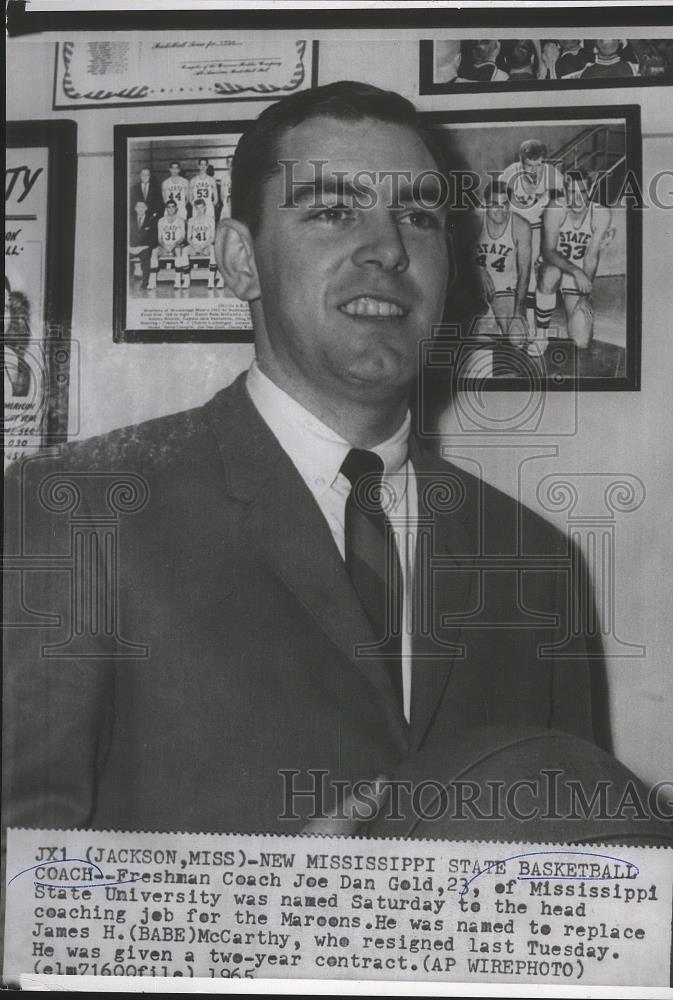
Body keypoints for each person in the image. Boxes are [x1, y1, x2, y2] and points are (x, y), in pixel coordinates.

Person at [4, 82, 599, 838]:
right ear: (239, 261)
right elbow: (13, 888)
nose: (387, 248)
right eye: (331, 211)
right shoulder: (75, 509)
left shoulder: (537, 563)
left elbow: (589, 872)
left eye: (418, 216)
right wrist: (260, 914)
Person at [499, 139, 565, 355]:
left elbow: (558, 213)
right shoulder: (509, 175)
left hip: (543, 229)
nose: (534, 170)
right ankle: (526, 327)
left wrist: (549, 245)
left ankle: (542, 336)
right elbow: (500, 210)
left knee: (545, 276)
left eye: (539, 165)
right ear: (521, 161)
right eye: (530, 166)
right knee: (522, 279)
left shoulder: (553, 176)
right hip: (518, 230)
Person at [536, 169, 614, 350]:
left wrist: (585, 295)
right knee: (551, 272)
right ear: (564, 191)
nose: (578, 198)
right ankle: (541, 336)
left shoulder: (600, 213)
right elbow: (548, 251)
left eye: (583, 192)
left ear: (591, 190)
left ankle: (575, 307)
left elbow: (591, 256)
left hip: (576, 278)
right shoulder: (555, 208)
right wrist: (576, 271)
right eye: (572, 192)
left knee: (581, 341)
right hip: (555, 267)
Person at [472, 180, 531, 344]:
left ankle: (502, 322)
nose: (500, 210)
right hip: (476, 286)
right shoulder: (474, 219)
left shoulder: (521, 226)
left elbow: (524, 273)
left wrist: (519, 310)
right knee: (473, 338)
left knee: (516, 339)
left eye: (505, 204)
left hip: (505, 290)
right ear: (484, 203)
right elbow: (456, 253)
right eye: (494, 205)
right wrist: (478, 270)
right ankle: (487, 322)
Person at [147, 200, 187, 289]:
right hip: (164, 246)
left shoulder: (180, 220)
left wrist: (173, 245)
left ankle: (177, 281)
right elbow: (159, 238)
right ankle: (152, 281)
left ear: (176, 208)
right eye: (169, 207)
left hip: (176, 245)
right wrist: (165, 246)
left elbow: (183, 237)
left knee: (178, 250)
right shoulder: (161, 220)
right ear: (166, 209)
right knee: (154, 251)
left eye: (173, 207)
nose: (171, 209)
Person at [186, 197, 223, 289]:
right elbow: (188, 238)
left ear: (205, 208)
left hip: (206, 245)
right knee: (183, 252)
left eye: (201, 207)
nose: (199, 210)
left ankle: (211, 280)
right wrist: (195, 246)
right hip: (195, 245)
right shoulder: (191, 220)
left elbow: (212, 237)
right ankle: (186, 279)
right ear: (195, 208)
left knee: (213, 250)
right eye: (197, 208)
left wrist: (203, 245)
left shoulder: (210, 219)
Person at [128, 198, 157, 287]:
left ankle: (145, 283)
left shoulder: (151, 220)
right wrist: (129, 247)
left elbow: (154, 238)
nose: (140, 209)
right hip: (130, 248)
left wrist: (144, 247)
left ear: (146, 208)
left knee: (146, 257)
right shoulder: (129, 220)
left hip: (144, 248)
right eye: (138, 206)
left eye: (143, 206)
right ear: (135, 208)